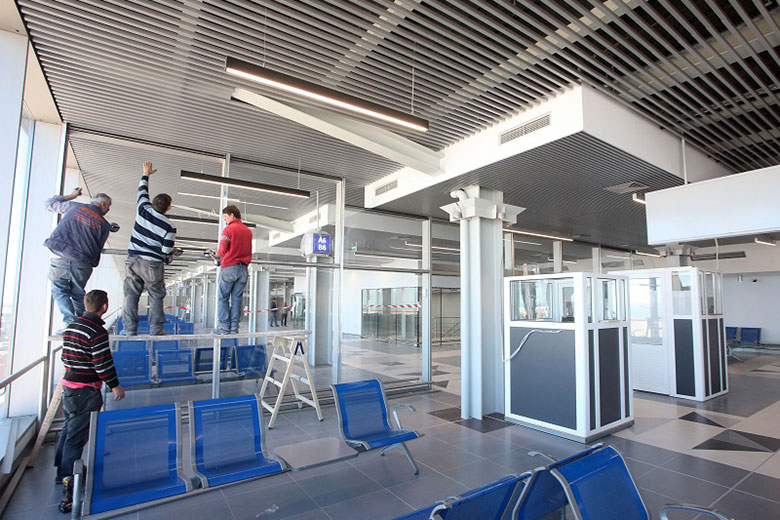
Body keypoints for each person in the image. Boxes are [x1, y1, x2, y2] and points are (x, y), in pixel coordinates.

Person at [55, 289, 124, 513]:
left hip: (69, 387)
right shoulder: (96, 331)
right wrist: (115, 385)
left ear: (86, 305)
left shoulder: (71, 326)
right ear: (104, 306)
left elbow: (65, 357)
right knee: (76, 437)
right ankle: (69, 483)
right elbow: (102, 363)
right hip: (85, 391)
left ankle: (61, 472)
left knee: (68, 430)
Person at [44, 187, 116, 331]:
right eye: (108, 206)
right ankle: (85, 324)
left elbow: (49, 204)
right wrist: (91, 264)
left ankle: (71, 323)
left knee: (59, 290)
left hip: (60, 255)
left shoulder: (74, 207)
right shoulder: (103, 225)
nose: (108, 210)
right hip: (82, 262)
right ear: (102, 204)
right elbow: (97, 248)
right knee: (78, 293)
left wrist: (72, 196)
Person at [121, 162, 179, 336]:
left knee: (131, 295)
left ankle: (129, 329)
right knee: (156, 294)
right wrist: (171, 255)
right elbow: (166, 251)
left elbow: (142, 191)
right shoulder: (169, 226)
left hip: (133, 260)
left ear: (153, 203)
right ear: (168, 207)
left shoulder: (143, 209)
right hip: (152, 264)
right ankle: (156, 329)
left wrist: (145, 174)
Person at [214, 205, 253, 334]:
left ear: (232, 215)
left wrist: (215, 254)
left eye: (225, 216)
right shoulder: (248, 231)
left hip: (229, 267)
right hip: (243, 269)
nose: (225, 219)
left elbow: (222, 250)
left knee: (223, 298)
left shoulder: (228, 229)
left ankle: (224, 327)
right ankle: (234, 327)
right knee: (237, 299)